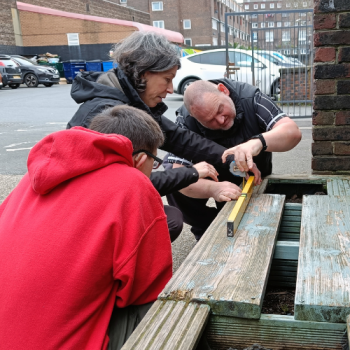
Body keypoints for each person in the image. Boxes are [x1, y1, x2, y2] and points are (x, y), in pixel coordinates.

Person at [0, 105, 173, 350]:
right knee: (162, 309)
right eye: (154, 163)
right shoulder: (131, 184)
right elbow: (146, 290)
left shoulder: (29, 180)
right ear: (141, 159)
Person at [66, 32, 259, 239]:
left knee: (170, 214)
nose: (170, 89)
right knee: (167, 222)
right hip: (82, 211)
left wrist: (231, 157)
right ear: (142, 73)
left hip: (100, 200)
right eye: (167, 79)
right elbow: (131, 186)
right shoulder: (109, 114)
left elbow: (178, 138)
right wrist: (192, 173)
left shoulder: (129, 99)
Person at [165, 79, 302, 240]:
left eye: (220, 110)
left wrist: (258, 142)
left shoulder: (252, 98)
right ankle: (206, 228)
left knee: (249, 220)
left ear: (224, 90)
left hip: (253, 173)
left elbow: (293, 132)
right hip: (214, 176)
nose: (221, 120)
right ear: (195, 117)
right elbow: (178, 174)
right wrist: (213, 189)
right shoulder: (187, 119)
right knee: (173, 181)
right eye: (209, 121)